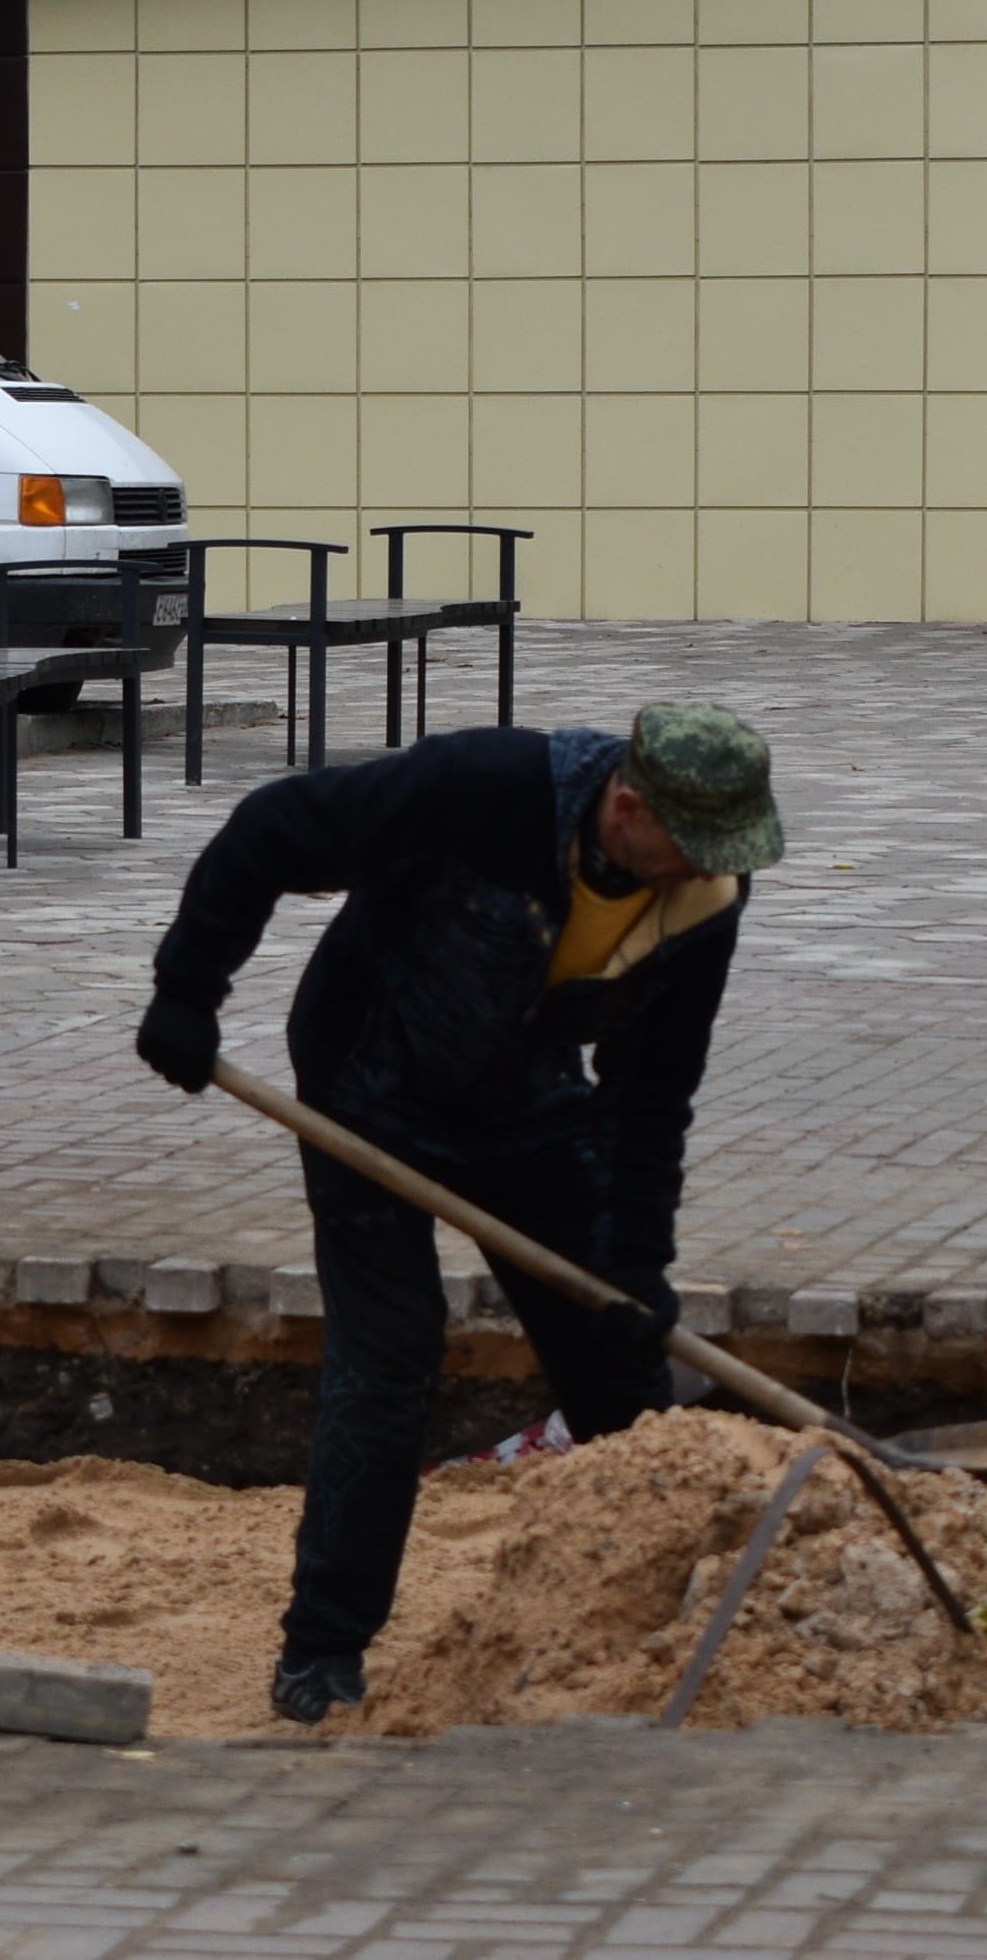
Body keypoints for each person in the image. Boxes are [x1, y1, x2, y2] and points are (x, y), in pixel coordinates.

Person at [133, 704, 785, 1725]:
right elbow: (268, 827)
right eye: (690, 845)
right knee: (390, 1357)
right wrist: (187, 990)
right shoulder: (483, 789)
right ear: (625, 807)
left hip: (523, 1107)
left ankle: (688, 1608)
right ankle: (324, 1645)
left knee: (612, 1351)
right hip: (366, 1090)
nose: (704, 868)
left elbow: (649, 1091)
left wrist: (637, 1263)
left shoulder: (701, 898)